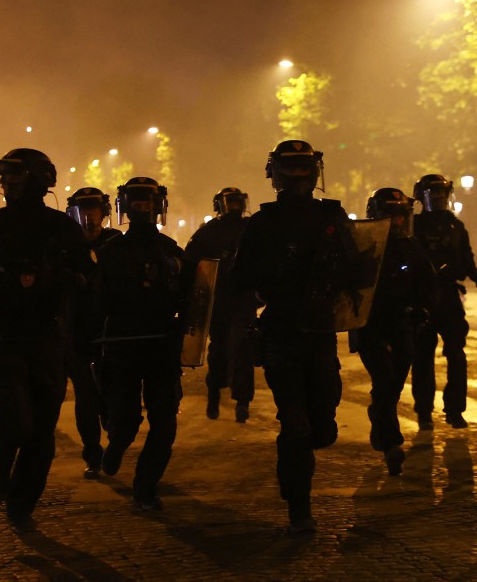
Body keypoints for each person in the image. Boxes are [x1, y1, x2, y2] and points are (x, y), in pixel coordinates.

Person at [0, 148, 90, 531]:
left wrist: (66, 280)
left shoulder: (63, 230)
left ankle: (22, 504)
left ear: (33, 180)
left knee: (41, 431)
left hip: (47, 337)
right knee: (14, 420)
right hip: (2, 336)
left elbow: (88, 277)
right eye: (2, 176)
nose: (3, 183)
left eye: (11, 175)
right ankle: (1, 465)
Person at [233, 139, 351, 533]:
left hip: (320, 332)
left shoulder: (333, 216)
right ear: (279, 175)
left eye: (304, 171)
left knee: (322, 424)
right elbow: (239, 279)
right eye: (293, 171)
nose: (299, 180)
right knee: (296, 422)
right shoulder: (262, 224)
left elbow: (359, 267)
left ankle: (295, 478)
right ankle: (299, 507)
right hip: (282, 332)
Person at [93, 177, 193, 511]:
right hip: (121, 347)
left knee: (164, 421)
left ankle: (145, 486)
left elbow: (196, 297)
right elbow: (93, 302)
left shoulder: (171, 252)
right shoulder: (107, 255)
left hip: (161, 346)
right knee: (125, 420)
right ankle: (117, 447)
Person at [354, 188, 435, 476]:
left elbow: (427, 283)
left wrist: (424, 307)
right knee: (385, 379)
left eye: (402, 216)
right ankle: (391, 444)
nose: (398, 223)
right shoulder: (364, 246)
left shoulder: (412, 248)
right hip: (370, 326)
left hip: (403, 325)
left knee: (393, 385)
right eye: (393, 216)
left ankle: (379, 415)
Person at [410, 173, 477, 430]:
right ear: (422, 197)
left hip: (449, 296)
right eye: (434, 195)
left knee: (456, 353)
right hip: (422, 296)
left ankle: (455, 410)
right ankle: (424, 410)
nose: (439, 200)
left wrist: (474, 273)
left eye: (442, 195)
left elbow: (466, 253)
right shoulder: (414, 226)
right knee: (422, 356)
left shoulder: (455, 226)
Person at [183, 187, 260, 423]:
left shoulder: (251, 229)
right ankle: (214, 395)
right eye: (230, 202)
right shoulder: (209, 232)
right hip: (218, 302)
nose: (234, 206)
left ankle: (243, 401)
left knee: (244, 351)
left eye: (237, 201)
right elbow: (191, 262)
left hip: (244, 300)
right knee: (219, 351)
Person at [65, 187, 122, 478]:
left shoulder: (116, 243)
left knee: (114, 397)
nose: (88, 216)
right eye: (82, 210)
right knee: (86, 399)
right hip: (78, 335)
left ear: (104, 213)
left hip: (112, 333)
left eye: (93, 210)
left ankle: (114, 441)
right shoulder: (64, 245)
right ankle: (93, 454)